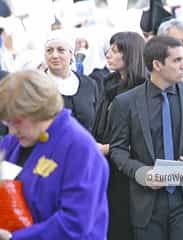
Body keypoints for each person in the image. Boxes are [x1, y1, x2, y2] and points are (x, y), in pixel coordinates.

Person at [109, 36, 183, 240]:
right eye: (177, 61)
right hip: (146, 203)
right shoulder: (125, 102)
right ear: (157, 65)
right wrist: (141, 172)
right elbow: (118, 149)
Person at [0, 70, 108, 240]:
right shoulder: (14, 142)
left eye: (17, 121)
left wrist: (15, 238)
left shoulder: (80, 148)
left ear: (38, 110)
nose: (12, 130)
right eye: (7, 122)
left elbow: (74, 223)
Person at [92, 31, 146, 240]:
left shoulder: (142, 90)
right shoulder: (109, 85)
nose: (109, 54)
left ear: (130, 55)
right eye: (110, 49)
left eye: (115, 51)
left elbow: (143, 139)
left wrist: (107, 148)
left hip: (129, 173)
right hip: (106, 170)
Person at [44, 32, 98, 132]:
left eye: (61, 50)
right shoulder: (35, 85)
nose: (54, 55)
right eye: (49, 51)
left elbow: (95, 123)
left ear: (71, 54)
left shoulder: (89, 84)